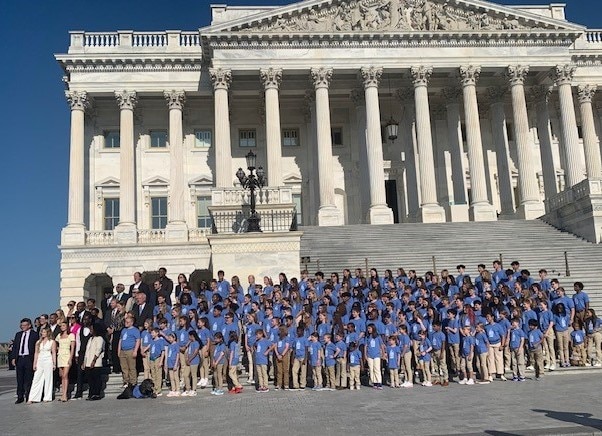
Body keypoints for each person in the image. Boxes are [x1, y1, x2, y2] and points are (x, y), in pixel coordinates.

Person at [11, 318, 39, 404]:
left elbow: (36, 348)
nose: (23, 327)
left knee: (29, 378)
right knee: (20, 378)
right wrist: (13, 358)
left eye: (24, 325)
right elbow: (15, 347)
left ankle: (28, 396)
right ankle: (20, 396)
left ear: (29, 325)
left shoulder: (34, 334)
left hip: (29, 358)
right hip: (20, 358)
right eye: (21, 325)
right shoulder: (18, 334)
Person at [27, 326, 56, 404]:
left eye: (44, 332)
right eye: (42, 332)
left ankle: (47, 397)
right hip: (40, 361)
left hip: (48, 360)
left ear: (48, 332)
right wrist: (34, 363)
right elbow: (36, 353)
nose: (42, 333)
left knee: (48, 379)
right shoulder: (38, 342)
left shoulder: (52, 342)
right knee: (36, 378)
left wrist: (54, 363)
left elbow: (53, 353)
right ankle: (33, 397)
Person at [82, 323, 105, 401]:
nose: (91, 331)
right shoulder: (90, 339)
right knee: (90, 379)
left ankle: (96, 394)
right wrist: (84, 362)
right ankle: (91, 393)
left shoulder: (99, 338)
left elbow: (98, 350)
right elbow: (87, 352)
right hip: (88, 362)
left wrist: (94, 360)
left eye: (92, 329)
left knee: (96, 379)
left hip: (96, 363)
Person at [118, 316, 141, 388]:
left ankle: (133, 382)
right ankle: (126, 381)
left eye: (127, 322)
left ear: (132, 322)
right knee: (124, 367)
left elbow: (138, 341)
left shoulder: (135, 330)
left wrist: (135, 351)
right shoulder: (123, 330)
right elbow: (120, 340)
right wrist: (119, 350)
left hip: (130, 350)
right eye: (125, 322)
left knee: (132, 367)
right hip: (123, 350)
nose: (126, 323)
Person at [56, 321, 75, 401]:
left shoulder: (71, 335)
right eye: (61, 326)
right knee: (62, 376)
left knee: (65, 375)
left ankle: (65, 394)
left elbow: (72, 348)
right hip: (60, 356)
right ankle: (63, 393)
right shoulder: (59, 335)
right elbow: (56, 343)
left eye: (64, 325)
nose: (62, 327)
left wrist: (70, 358)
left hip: (67, 355)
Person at [364, 323, 385, 390]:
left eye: (370, 328)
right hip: (370, 355)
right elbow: (366, 346)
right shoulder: (367, 337)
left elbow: (381, 345)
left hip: (377, 355)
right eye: (368, 328)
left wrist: (383, 353)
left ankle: (379, 382)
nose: (368, 330)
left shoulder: (378, 336)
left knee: (377, 368)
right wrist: (365, 354)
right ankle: (374, 382)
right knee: (371, 369)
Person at [183, 330, 201, 396]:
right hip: (189, 361)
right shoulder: (190, 343)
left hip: (194, 361)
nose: (188, 337)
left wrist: (190, 359)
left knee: (194, 375)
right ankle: (188, 389)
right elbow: (188, 351)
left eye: (189, 336)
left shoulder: (196, 343)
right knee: (185, 375)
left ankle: (194, 390)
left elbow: (195, 352)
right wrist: (187, 359)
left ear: (192, 336)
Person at [508, 317, 526, 382]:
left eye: (514, 323)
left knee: (520, 362)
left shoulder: (520, 331)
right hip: (513, 347)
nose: (512, 324)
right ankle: (515, 375)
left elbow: (522, 340)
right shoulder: (512, 331)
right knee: (514, 362)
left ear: (517, 323)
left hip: (518, 347)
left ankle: (522, 375)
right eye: (512, 323)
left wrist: (520, 348)